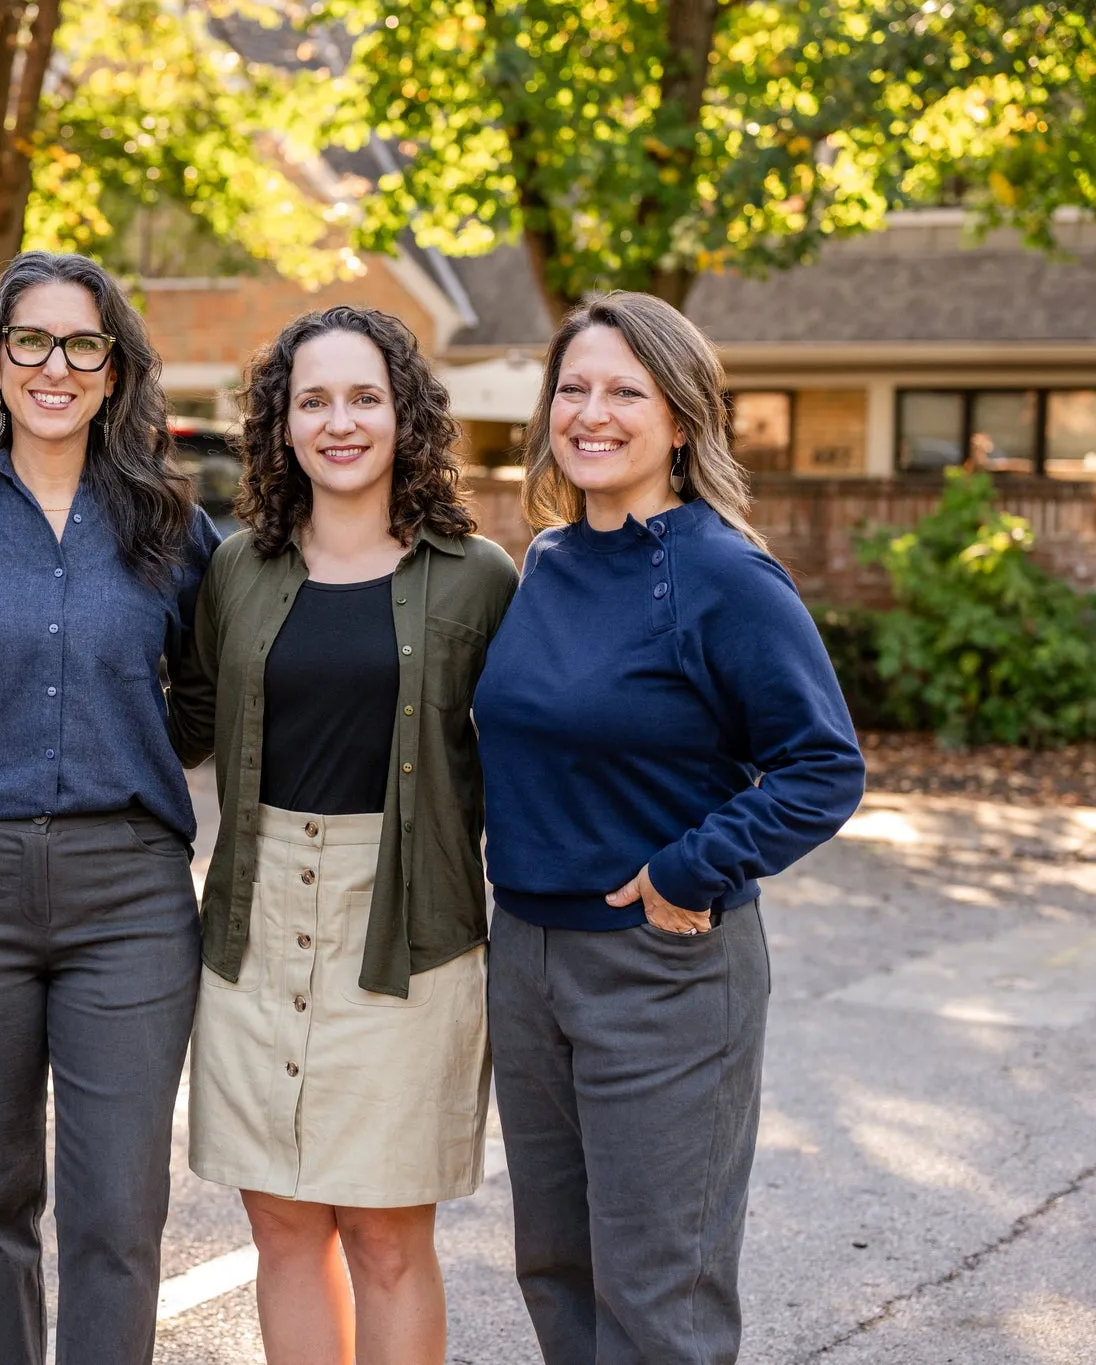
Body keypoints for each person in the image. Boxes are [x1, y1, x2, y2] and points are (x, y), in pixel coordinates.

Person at [473, 291, 866, 1364]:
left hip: (662, 970)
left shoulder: (718, 573)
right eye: (573, 388)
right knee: (554, 1269)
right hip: (527, 956)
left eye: (623, 392)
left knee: (657, 1299)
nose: (590, 413)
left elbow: (821, 765)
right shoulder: (545, 562)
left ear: (680, 420)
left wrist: (687, 872)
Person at [0, 250, 221, 1365]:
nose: (55, 365)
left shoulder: (172, 526)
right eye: (29, 340)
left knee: (119, 1210)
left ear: (114, 372)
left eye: (84, 345)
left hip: (127, 894)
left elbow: (206, 699)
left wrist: (109, 748)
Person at [168, 306, 517, 1364]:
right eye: (311, 400)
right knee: (279, 1224)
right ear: (279, 425)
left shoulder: (477, 577)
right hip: (256, 917)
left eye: (363, 396)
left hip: (404, 927)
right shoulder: (236, 569)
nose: (338, 422)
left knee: (384, 1232)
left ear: (403, 414)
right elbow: (185, 721)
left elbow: (529, 750)